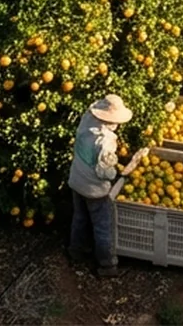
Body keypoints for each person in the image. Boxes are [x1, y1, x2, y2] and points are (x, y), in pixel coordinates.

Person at [68, 93, 133, 278]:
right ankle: (107, 265)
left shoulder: (86, 122)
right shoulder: (106, 141)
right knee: (103, 226)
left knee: (80, 217)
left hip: (76, 180)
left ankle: (76, 251)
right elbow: (103, 172)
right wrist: (116, 174)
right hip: (94, 190)